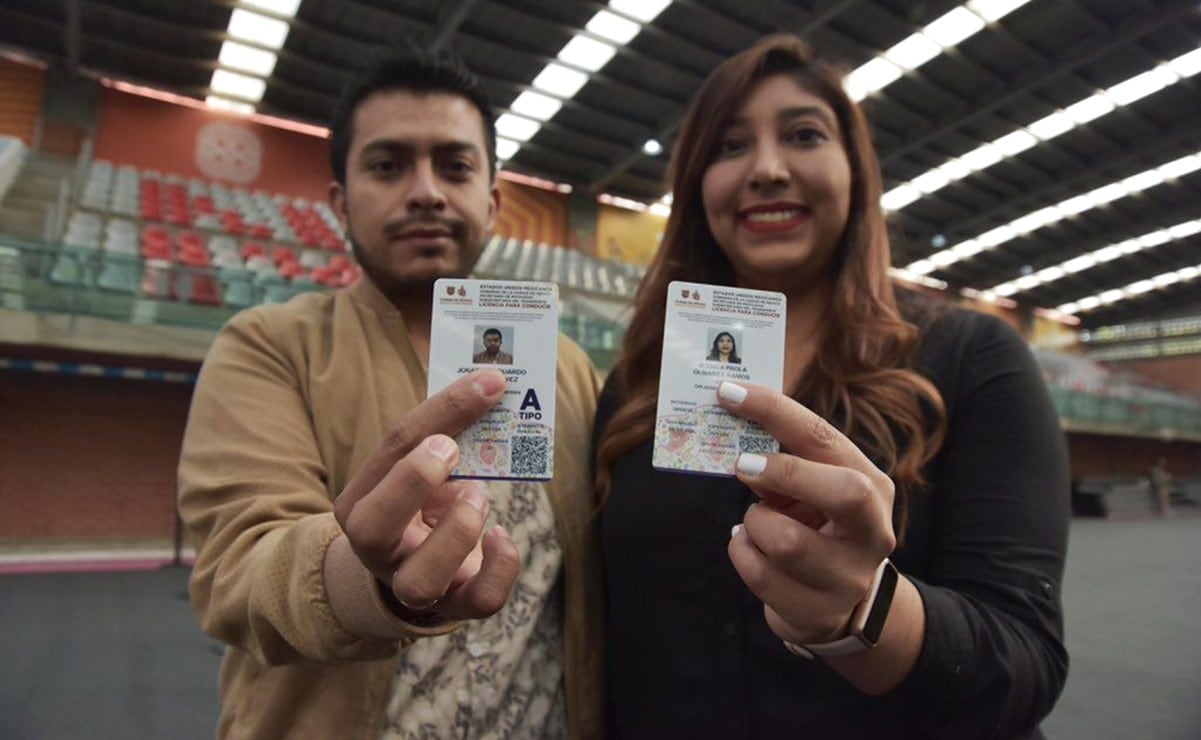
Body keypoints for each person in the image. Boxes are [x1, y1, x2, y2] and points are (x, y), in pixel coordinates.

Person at [593, 34, 1070, 739]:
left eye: (803, 134)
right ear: (696, 187)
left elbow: (1024, 661)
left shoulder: (974, 358)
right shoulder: (636, 385)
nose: (765, 169)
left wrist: (866, 612)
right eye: (727, 147)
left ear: (856, 173)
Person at [178, 45, 603, 739]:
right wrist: (362, 577)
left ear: (492, 204)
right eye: (388, 165)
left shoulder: (568, 370)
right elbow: (237, 572)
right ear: (341, 203)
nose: (426, 191)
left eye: (455, 166)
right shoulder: (269, 347)